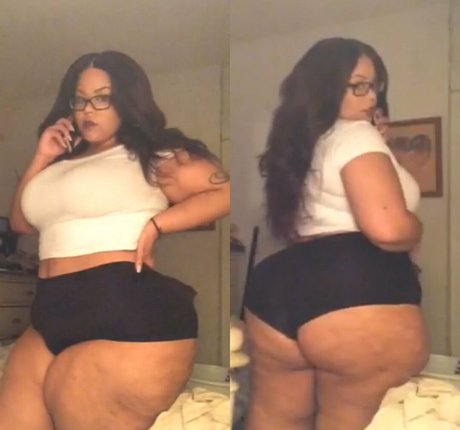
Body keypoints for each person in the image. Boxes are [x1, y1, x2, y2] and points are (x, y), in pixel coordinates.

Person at [0, 50, 230, 430]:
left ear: (126, 100)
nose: (88, 110)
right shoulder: (58, 164)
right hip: (50, 310)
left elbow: (224, 193)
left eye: (102, 98)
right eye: (80, 99)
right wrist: (42, 155)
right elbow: (22, 223)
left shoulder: (153, 155)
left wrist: (159, 224)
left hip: (125, 310)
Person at [243, 38, 428, 430]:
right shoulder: (356, 136)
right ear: (324, 87)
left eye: (374, 86)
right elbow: (388, 228)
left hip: (277, 286)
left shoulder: (304, 144)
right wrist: (416, 227)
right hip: (353, 286)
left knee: (276, 418)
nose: (371, 97)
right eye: (357, 86)